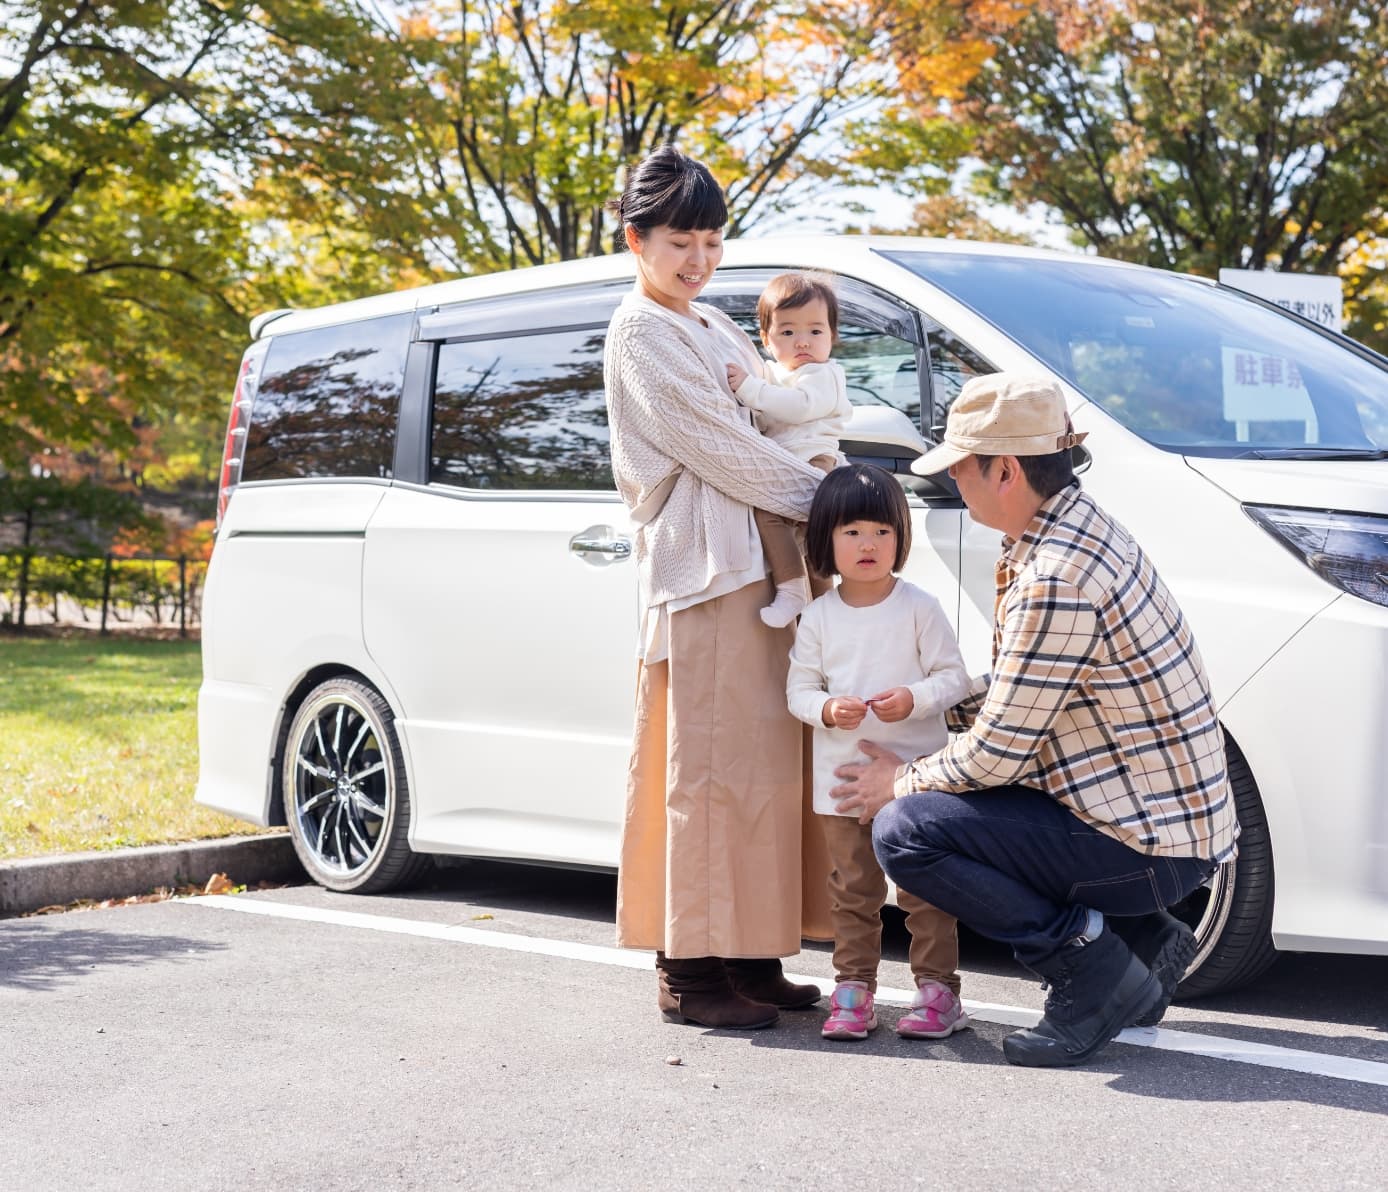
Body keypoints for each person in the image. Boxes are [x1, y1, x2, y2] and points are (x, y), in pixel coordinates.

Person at [831, 372, 1239, 1068]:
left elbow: (995, 757)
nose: (955, 480)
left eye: (960, 466)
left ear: (1005, 470)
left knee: (908, 832)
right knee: (943, 807)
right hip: (1172, 833)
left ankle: (1091, 967)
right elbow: (1033, 689)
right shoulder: (1082, 528)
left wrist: (896, 783)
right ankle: (1140, 941)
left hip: (1146, 848)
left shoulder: (1056, 575)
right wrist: (931, 699)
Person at [602, 145, 832, 1030]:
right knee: (703, 769)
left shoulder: (714, 324)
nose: (697, 259)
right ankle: (690, 970)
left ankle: (748, 951)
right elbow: (724, 449)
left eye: (710, 239)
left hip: (758, 566)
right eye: (678, 242)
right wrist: (836, 501)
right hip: (704, 574)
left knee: (764, 767)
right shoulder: (642, 329)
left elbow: (784, 411)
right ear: (637, 239)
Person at [786, 464, 972, 1041]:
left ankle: (939, 992)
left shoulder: (919, 606)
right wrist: (825, 709)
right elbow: (798, 690)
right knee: (853, 890)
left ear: (900, 538)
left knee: (925, 889)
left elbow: (955, 678)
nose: (869, 544)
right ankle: (853, 989)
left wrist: (913, 699)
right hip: (840, 783)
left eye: (882, 531)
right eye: (851, 532)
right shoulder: (817, 616)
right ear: (825, 541)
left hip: (916, 782)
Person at [724, 273, 852, 628]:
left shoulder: (822, 374)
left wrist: (750, 390)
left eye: (815, 331)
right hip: (786, 462)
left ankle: (809, 595)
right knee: (786, 526)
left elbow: (799, 407)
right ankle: (803, 593)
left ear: (831, 337)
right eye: (788, 332)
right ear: (766, 339)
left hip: (815, 459)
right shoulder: (771, 375)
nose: (803, 342)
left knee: (802, 525)